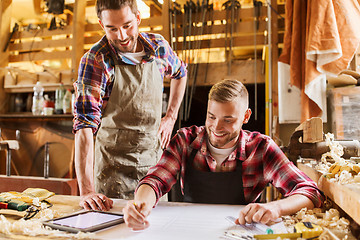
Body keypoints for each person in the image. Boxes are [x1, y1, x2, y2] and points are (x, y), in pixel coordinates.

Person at [122, 79, 324, 230]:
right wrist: (141, 205)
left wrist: (277, 208)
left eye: (228, 120)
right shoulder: (185, 140)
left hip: (237, 231)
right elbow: (155, 179)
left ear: (246, 116)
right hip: (189, 229)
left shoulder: (261, 148)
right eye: (211, 117)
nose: (216, 127)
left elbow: (309, 192)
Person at [73, 0, 187, 211]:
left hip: (154, 171)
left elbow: (180, 73)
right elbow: (84, 127)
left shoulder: (158, 48)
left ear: (138, 18)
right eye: (112, 29)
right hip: (112, 173)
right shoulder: (96, 60)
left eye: (127, 26)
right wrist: (87, 191)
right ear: (101, 24)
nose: (122, 36)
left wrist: (170, 117)